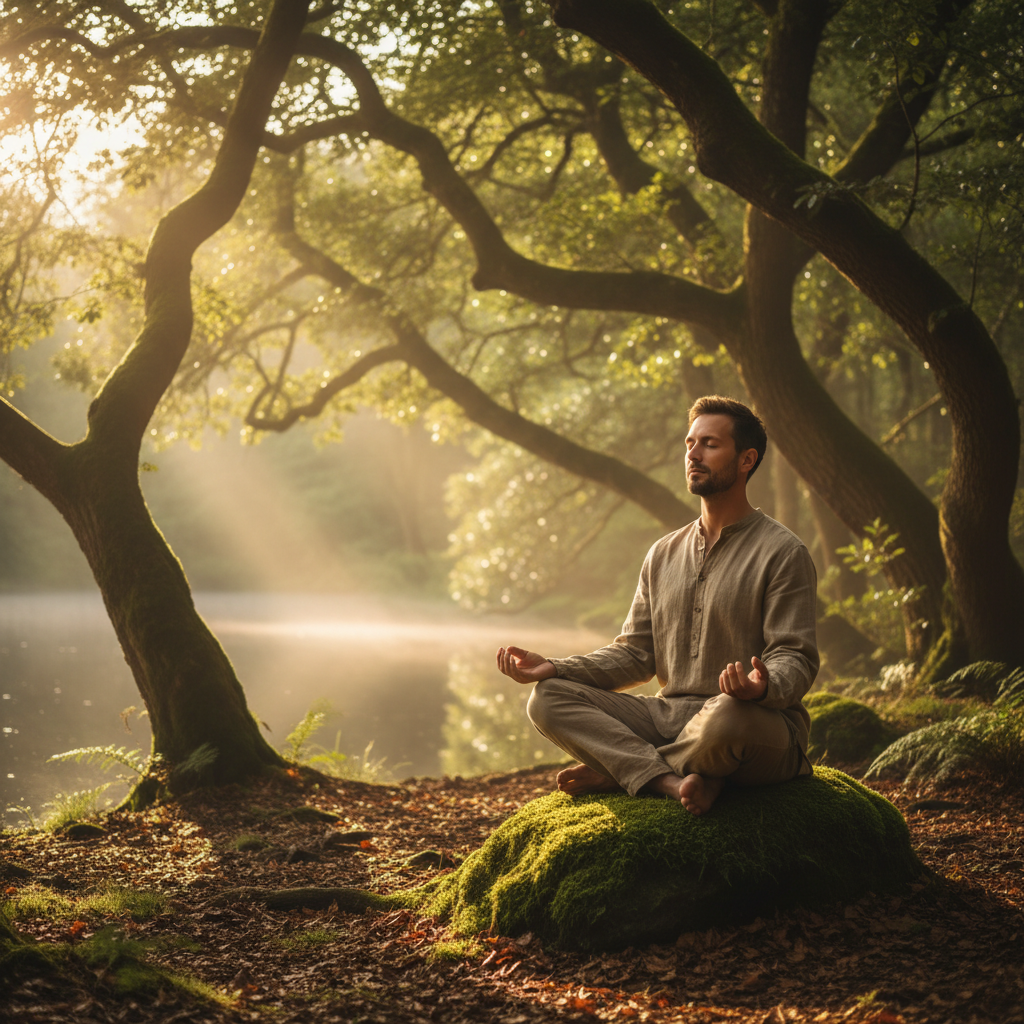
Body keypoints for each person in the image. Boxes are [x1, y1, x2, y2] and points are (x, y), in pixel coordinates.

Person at [496, 395, 818, 816]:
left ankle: (623, 771)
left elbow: (795, 656)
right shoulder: (663, 553)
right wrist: (557, 667)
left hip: (751, 722)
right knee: (547, 698)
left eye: (709, 444)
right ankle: (670, 780)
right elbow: (635, 655)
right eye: (689, 444)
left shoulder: (783, 551)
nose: (693, 454)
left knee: (726, 718)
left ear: (746, 460)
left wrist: (762, 686)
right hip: (669, 717)